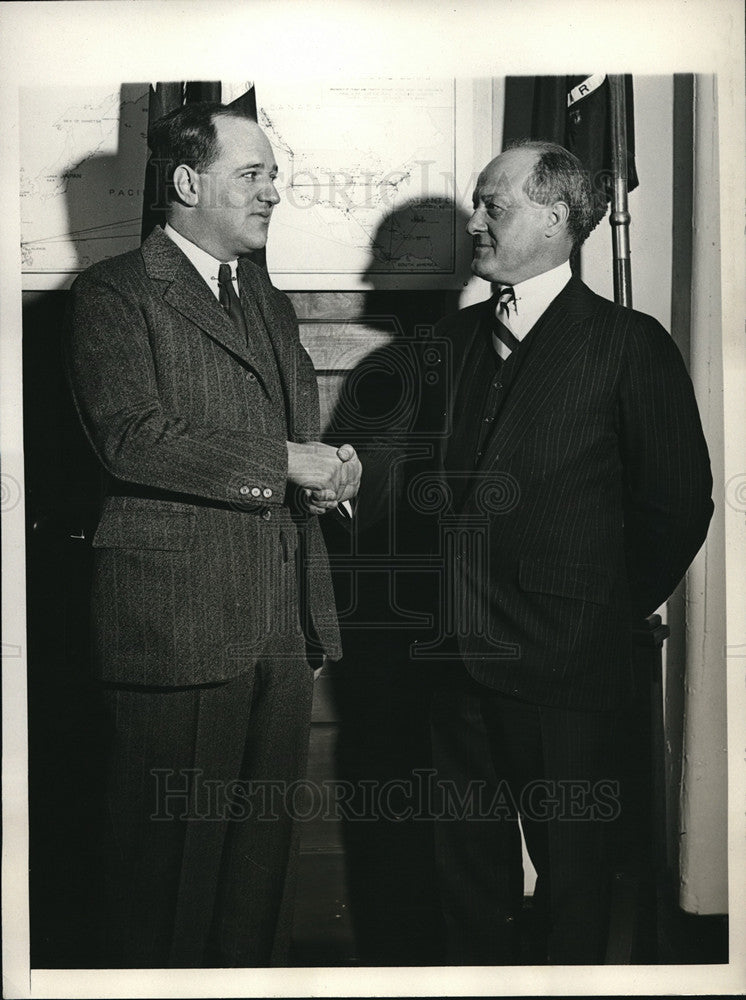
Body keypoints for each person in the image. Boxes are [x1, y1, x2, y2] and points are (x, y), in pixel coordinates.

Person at [65, 101, 361, 968]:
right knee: (164, 883)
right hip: (176, 625)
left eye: (274, 174)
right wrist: (286, 461)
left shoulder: (260, 293)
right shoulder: (114, 293)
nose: (274, 191)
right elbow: (131, 436)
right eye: (253, 174)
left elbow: (293, 431)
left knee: (255, 881)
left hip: (278, 621)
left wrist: (334, 471)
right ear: (188, 183)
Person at [428, 140, 713, 964]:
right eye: (477, 204)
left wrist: (596, 612)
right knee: (465, 884)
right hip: (456, 661)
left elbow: (674, 506)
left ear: (556, 219)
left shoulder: (629, 342)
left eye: (493, 205)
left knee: (575, 886)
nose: (474, 222)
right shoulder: (453, 343)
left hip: (568, 668)